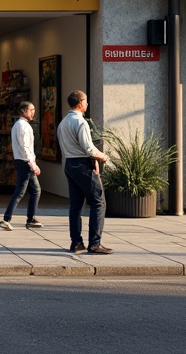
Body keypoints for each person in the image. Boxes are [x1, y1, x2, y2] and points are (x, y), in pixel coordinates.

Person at [56, 89, 110, 254]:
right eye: (85, 101)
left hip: (69, 164)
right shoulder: (81, 122)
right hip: (83, 165)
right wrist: (102, 156)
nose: (87, 103)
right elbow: (89, 148)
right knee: (98, 203)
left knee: (75, 206)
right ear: (80, 103)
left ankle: (76, 242)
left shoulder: (63, 123)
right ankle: (94, 243)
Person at [0, 100, 42, 230]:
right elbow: (24, 147)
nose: (33, 113)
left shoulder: (20, 125)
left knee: (35, 190)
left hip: (22, 161)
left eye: (34, 110)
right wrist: (32, 163)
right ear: (23, 111)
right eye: (31, 110)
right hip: (25, 162)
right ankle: (7, 218)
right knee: (20, 191)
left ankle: (31, 218)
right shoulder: (22, 126)